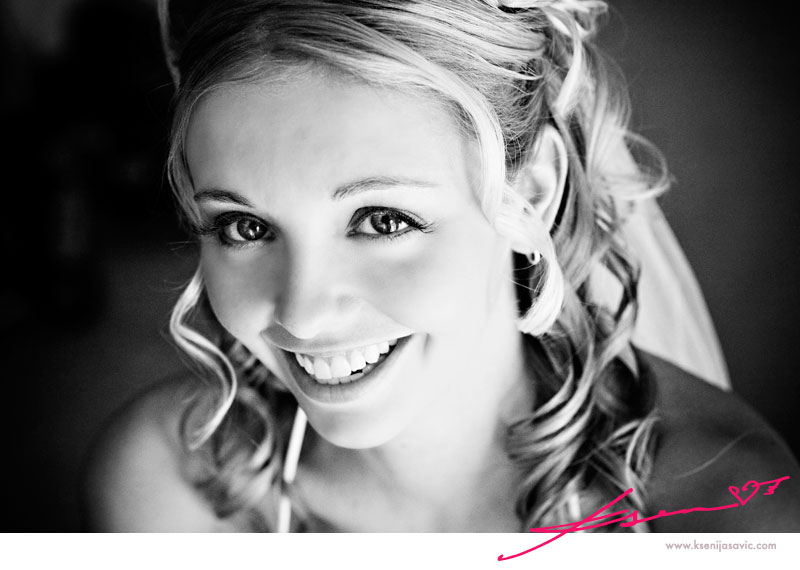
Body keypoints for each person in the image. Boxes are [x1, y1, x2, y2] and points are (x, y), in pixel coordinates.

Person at [84, 0, 799, 532]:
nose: (303, 312)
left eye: (382, 221)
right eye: (245, 227)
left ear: (531, 191)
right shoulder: (164, 487)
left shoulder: (728, 512)